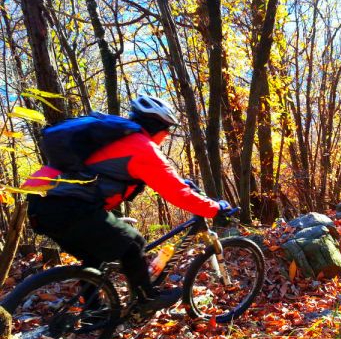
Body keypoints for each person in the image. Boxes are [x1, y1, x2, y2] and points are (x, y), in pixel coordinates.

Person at [23, 95, 233, 312]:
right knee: (133, 244)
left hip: (41, 204)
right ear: (157, 126)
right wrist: (215, 208)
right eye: (167, 130)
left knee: (94, 257)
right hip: (67, 207)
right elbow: (177, 193)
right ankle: (146, 299)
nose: (166, 135)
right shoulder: (143, 148)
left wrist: (183, 184)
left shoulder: (118, 140)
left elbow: (154, 178)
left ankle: (94, 314)